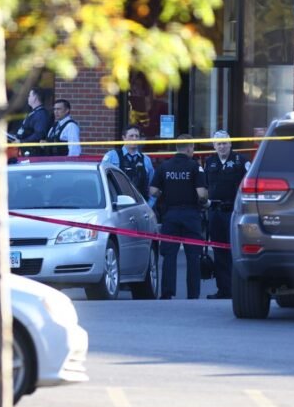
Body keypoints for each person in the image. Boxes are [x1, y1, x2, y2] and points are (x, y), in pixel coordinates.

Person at [149, 134, 208, 300]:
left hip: (170, 215)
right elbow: (201, 194)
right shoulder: (195, 167)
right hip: (191, 215)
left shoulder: (164, 166)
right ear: (189, 148)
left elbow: (153, 190)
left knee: (169, 255)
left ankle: (167, 293)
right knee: (193, 256)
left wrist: (164, 195)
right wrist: (205, 202)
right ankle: (193, 294)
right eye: (193, 147)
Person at [204, 130, 251, 299]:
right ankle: (223, 289)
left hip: (233, 212)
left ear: (230, 143)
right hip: (215, 212)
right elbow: (205, 186)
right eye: (219, 144)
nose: (222, 146)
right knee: (219, 251)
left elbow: (249, 183)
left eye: (225, 143)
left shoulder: (241, 161)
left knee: (235, 251)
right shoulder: (209, 162)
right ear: (214, 145)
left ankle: (238, 289)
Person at [102, 124, 154, 205]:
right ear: (124, 138)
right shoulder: (112, 156)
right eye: (131, 136)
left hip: (140, 205)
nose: (134, 138)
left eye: (137, 136)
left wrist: (150, 205)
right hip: (118, 205)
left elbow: (152, 186)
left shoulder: (146, 160)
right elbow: (103, 181)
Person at [12, 87, 51, 157]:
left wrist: (22, 142)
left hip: (34, 152)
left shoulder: (41, 114)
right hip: (27, 150)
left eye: (29, 96)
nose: (28, 98)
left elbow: (39, 134)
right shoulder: (34, 112)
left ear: (35, 97)